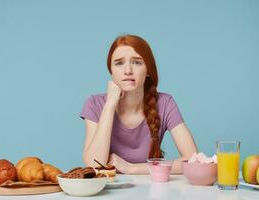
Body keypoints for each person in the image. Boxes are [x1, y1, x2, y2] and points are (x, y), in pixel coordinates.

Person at [80, 34, 198, 174]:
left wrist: (132, 168)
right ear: (111, 71)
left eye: (137, 62)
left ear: (148, 70)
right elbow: (94, 164)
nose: (128, 71)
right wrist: (110, 104)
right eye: (119, 63)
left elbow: (193, 160)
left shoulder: (165, 103)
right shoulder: (94, 104)